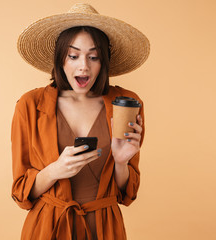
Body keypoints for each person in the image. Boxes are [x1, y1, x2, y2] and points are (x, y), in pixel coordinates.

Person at [11, 3, 150, 240]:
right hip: (48, 228)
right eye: (73, 55)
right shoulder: (30, 105)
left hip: (105, 229)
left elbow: (127, 195)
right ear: (60, 58)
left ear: (103, 60)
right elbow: (21, 193)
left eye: (93, 56)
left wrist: (121, 162)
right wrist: (55, 170)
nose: (83, 65)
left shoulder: (126, 104)